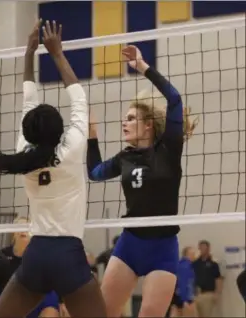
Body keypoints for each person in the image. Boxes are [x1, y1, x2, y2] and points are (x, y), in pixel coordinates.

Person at [0, 20, 106, 317]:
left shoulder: (23, 155)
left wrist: (30, 50)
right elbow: (79, 98)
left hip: (36, 255)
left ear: (29, 131)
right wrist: (56, 53)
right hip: (68, 255)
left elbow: (28, 100)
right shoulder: (71, 148)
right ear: (59, 130)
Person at [87, 45, 198, 317]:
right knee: (104, 312)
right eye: (124, 119)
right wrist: (91, 136)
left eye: (131, 118)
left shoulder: (168, 149)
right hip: (130, 243)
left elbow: (175, 100)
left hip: (162, 246)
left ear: (148, 125)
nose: (124, 123)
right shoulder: (124, 158)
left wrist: (143, 67)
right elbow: (94, 173)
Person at [0, 217, 60, 318]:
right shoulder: (1, 256)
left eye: (27, 227)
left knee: (51, 311)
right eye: (19, 227)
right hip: (6, 297)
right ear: (13, 233)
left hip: (37, 296)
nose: (23, 230)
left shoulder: (42, 256)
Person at [193, 240, 223, 317]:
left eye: (204, 248)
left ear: (208, 249)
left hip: (208, 294)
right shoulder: (195, 263)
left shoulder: (213, 264)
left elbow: (218, 279)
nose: (202, 249)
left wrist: (217, 294)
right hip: (196, 295)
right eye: (201, 247)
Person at [170, 247, 197, 317]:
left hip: (180, 296)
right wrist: (186, 300)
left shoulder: (183, 265)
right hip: (184, 297)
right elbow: (183, 283)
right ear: (188, 254)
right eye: (193, 254)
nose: (195, 256)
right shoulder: (185, 266)